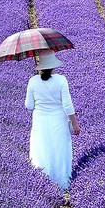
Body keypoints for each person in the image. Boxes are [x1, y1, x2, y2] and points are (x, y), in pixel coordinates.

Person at [24, 50, 80, 190]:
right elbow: (67, 105)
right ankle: (62, 185)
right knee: (59, 150)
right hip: (58, 122)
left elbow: (29, 106)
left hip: (40, 122)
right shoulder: (61, 80)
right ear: (53, 65)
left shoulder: (33, 81)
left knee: (41, 149)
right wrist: (75, 124)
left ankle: (41, 185)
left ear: (40, 66)